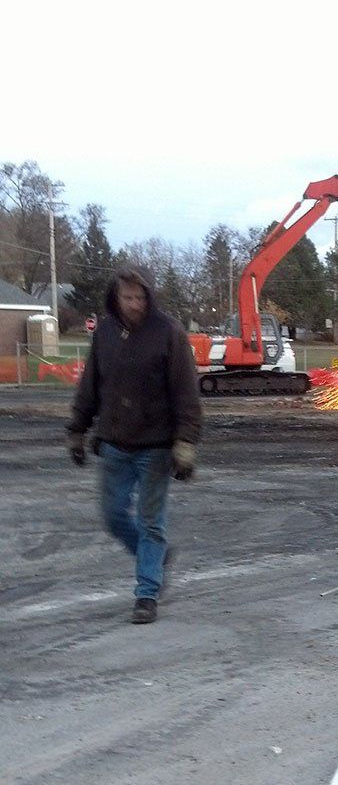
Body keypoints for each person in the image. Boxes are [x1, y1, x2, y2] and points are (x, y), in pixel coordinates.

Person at [66, 264, 202, 623]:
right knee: (112, 517)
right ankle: (156, 557)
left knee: (150, 523)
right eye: (127, 297)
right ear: (116, 296)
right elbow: (90, 385)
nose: (134, 304)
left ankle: (147, 594)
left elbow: (186, 392)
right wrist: (77, 429)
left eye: (140, 297)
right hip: (114, 442)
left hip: (156, 445)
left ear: (149, 296)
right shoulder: (106, 332)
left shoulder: (169, 333)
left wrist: (185, 442)